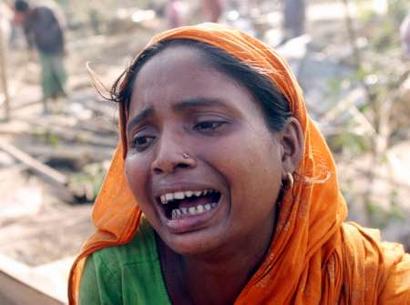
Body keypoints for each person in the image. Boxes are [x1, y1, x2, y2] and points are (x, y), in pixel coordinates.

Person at [68, 24, 410, 305]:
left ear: (287, 147)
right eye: (142, 139)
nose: (166, 157)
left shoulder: (366, 280)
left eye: (206, 123)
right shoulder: (118, 279)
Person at [13, 0, 67, 113]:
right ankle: (46, 106)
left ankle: (64, 104)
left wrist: (63, 47)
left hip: (56, 48)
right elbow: (27, 35)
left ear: (25, 10)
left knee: (60, 74)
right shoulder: (26, 19)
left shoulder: (46, 9)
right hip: (43, 51)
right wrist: (30, 51)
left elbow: (61, 27)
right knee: (46, 77)